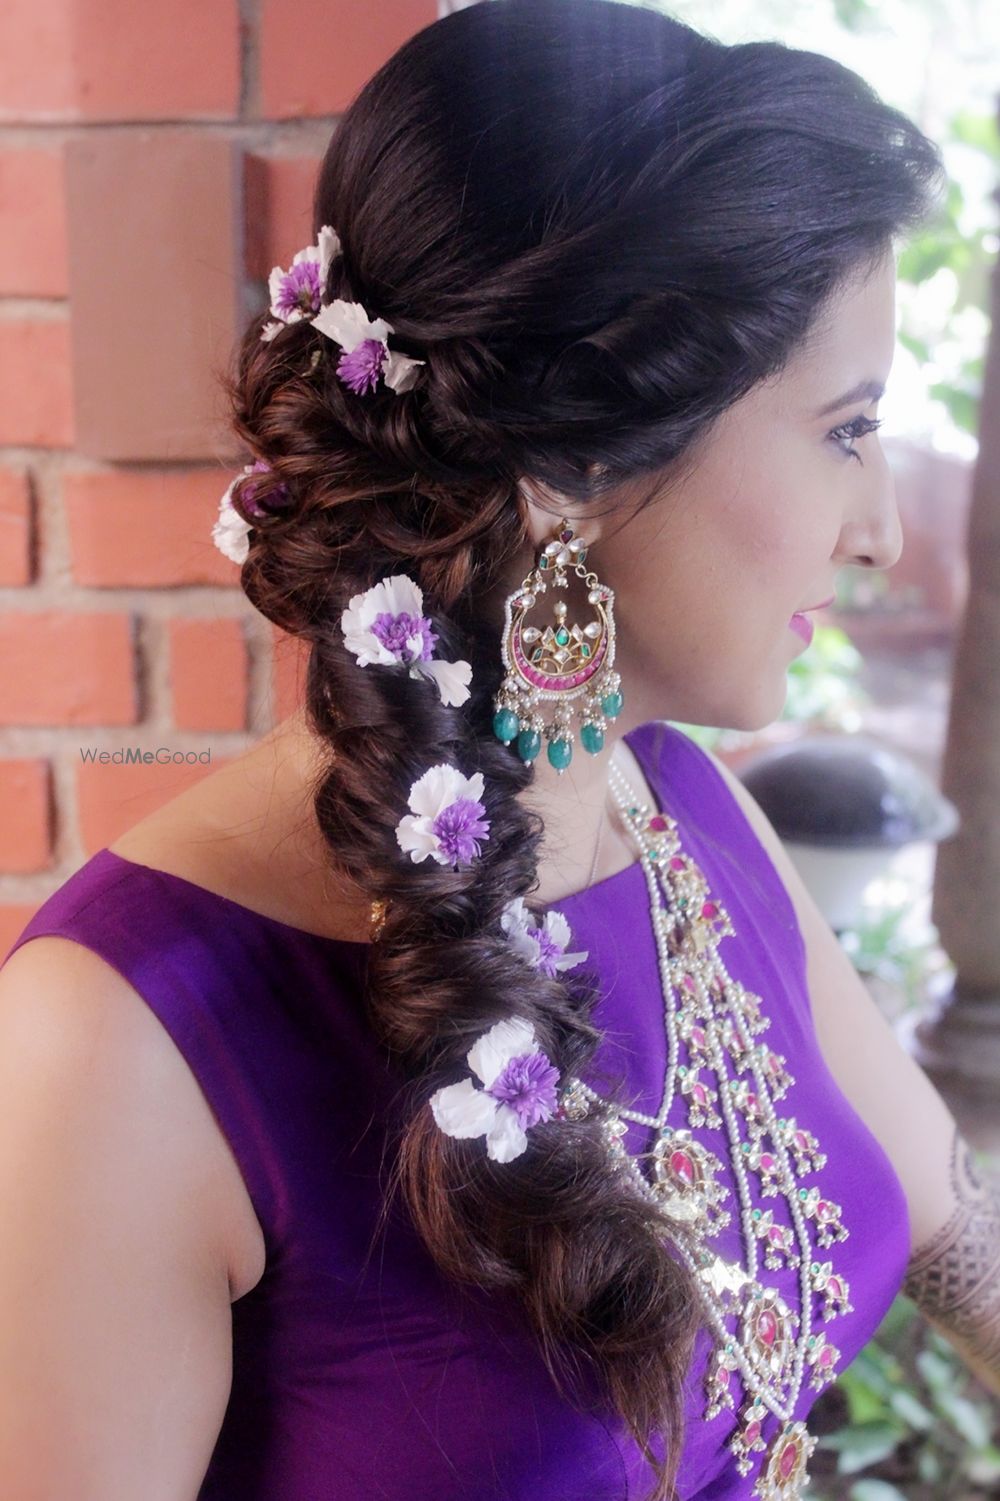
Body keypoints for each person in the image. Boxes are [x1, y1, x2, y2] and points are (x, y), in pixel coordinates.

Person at [2, 2, 998, 1497]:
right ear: (573, 472)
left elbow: (941, 1223)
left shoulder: (688, 814)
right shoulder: (125, 1039)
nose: (882, 534)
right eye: (847, 430)